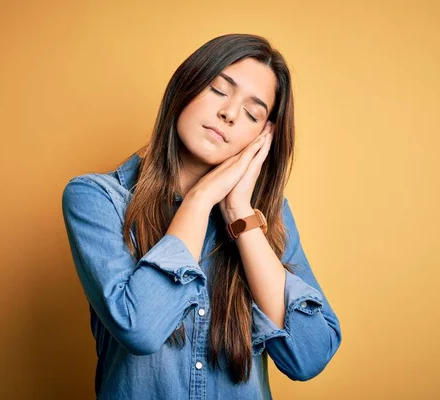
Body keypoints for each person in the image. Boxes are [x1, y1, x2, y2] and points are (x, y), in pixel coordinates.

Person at [61, 33, 342, 400]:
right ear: (186, 86)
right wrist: (201, 198)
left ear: (262, 137)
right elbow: (141, 328)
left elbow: (308, 357)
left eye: (253, 113)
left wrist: (240, 214)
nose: (228, 114)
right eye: (218, 90)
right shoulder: (97, 198)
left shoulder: (268, 218)